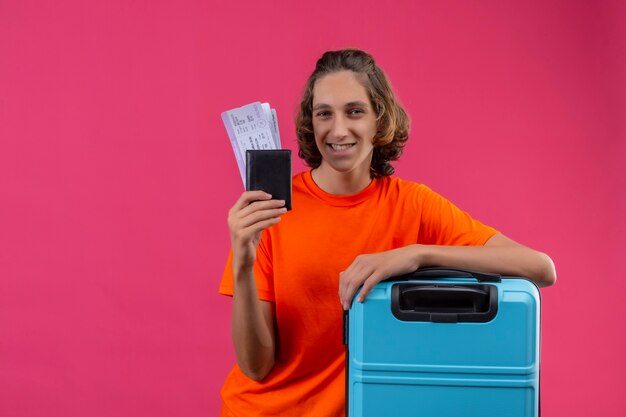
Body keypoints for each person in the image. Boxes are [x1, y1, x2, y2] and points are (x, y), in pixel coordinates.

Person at [219, 49, 556, 417]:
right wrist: (242, 262)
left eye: (354, 111)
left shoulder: (413, 205)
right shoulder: (272, 209)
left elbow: (539, 268)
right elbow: (256, 367)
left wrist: (416, 254)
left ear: (380, 120)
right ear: (310, 124)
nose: (338, 129)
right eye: (324, 114)